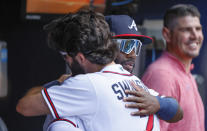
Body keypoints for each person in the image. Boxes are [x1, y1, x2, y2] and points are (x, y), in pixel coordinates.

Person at [16, 9, 182, 131]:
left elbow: (24, 106)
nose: (132, 53)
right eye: (125, 45)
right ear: (104, 43)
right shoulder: (133, 83)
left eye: (136, 46)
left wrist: (159, 103)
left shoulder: (132, 87)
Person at [140, 4, 204, 131]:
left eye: (198, 29)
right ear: (167, 34)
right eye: (186, 30)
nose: (195, 36)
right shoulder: (162, 75)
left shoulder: (186, 72)